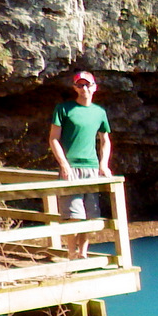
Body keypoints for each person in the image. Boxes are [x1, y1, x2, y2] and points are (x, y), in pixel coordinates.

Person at [48, 70, 111, 259]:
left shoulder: (99, 112)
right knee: (74, 214)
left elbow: (105, 140)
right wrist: (64, 164)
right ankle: (71, 254)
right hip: (72, 167)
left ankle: (83, 253)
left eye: (87, 84)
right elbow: (53, 139)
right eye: (80, 85)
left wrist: (104, 164)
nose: (84, 88)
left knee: (89, 214)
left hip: (91, 168)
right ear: (75, 87)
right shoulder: (63, 109)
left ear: (95, 87)